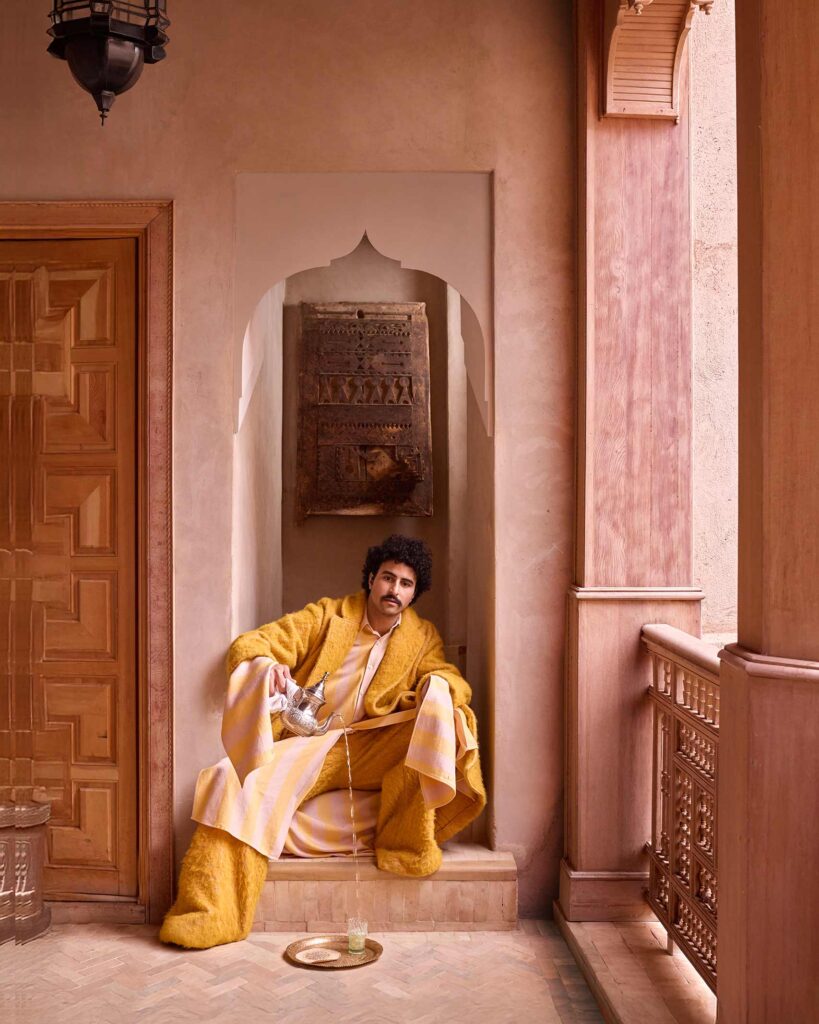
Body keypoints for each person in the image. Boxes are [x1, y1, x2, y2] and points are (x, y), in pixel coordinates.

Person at [160, 534, 485, 949]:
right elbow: (254, 642)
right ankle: (210, 914)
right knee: (230, 780)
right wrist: (267, 664)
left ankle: (406, 839)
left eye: (405, 584)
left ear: (414, 593)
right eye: (388, 578)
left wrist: (436, 687)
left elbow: (450, 676)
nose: (394, 590)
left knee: (449, 711)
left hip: (373, 742)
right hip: (313, 741)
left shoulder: (422, 636)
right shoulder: (330, 616)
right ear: (371, 579)